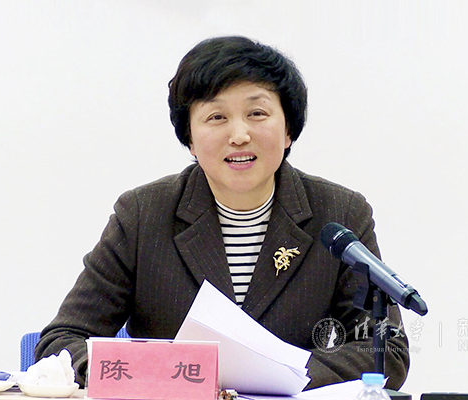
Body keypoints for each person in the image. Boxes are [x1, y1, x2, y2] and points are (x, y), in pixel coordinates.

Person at [35, 36, 410, 390]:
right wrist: (168, 375)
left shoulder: (340, 214)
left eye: (257, 113)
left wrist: (281, 374)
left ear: (288, 130)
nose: (239, 135)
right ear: (190, 139)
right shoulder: (143, 214)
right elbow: (62, 341)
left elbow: (385, 351)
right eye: (216, 117)